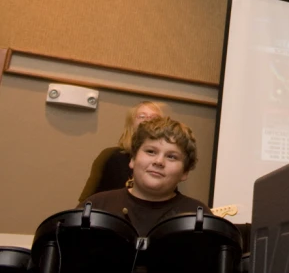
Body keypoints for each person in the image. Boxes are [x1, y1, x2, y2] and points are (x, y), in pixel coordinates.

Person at [78, 116, 210, 236]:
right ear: (133, 159)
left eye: (171, 157)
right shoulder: (97, 206)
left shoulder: (197, 215)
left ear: (185, 172)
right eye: (151, 152)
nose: (158, 162)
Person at [79, 101, 163, 202]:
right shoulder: (111, 156)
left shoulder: (163, 162)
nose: (148, 120)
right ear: (131, 124)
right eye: (142, 116)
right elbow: (87, 201)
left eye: (155, 117)